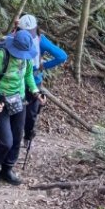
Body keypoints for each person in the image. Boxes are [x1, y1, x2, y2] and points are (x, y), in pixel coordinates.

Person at [0, 28, 38, 187]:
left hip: (19, 100)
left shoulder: (26, 58)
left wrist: (35, 91)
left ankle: (7, 170)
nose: (21, 56)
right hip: (0, 101)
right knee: (6, 141)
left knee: (17, 137)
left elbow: (28, 75)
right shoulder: (2, 56)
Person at [16, 13, 68, 144]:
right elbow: (61, 56)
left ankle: (22, 138)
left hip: (23, 79)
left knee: (21, 111)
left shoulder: (19, 37)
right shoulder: (39, 39)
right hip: (31, 80)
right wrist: (43, 66)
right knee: (29, 113)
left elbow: (62, 56)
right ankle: (25, 138)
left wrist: (43, 66)